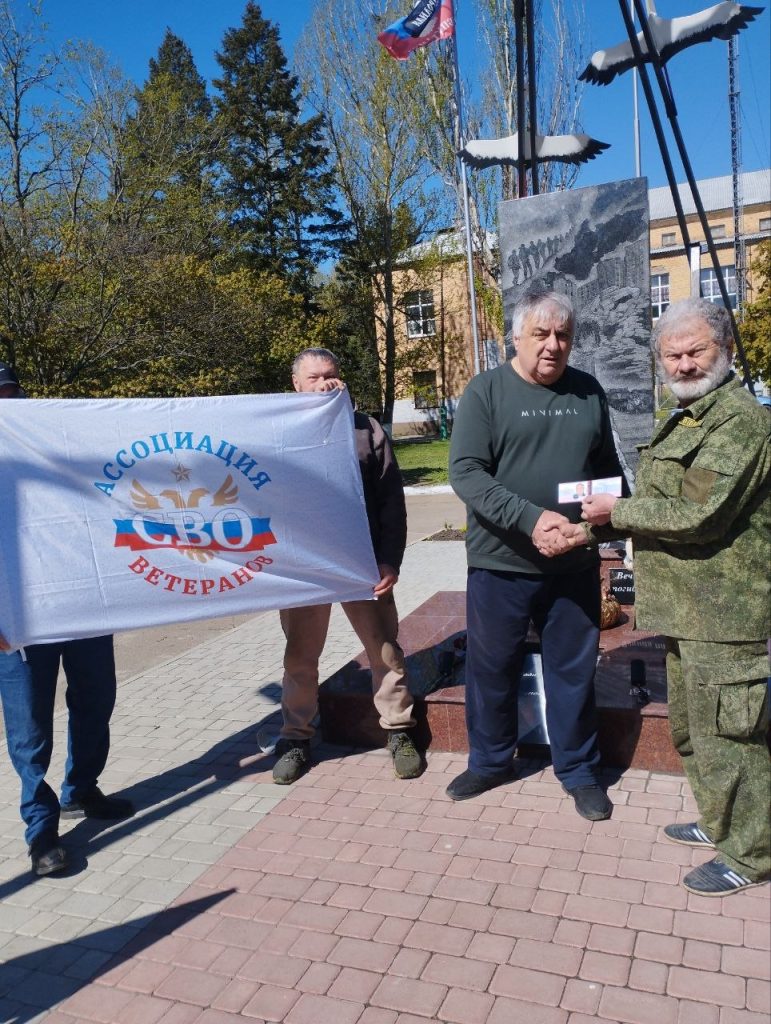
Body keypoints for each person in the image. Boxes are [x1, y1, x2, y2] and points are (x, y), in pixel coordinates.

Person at [580, 298, 770, 896]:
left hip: (724, 613)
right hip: (688, 609)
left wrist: (615, 512)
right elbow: (666, 500)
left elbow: (698, 512)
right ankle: (721, 822)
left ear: (725, 349)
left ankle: (752, 854)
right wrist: (593, 526)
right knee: (695, 731)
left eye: (696, 351)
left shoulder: (739, 421)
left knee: (731, 740)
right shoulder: (688, 416)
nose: (684, 364)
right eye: (672, 355)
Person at [446, 291, 626, 819]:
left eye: (563, 335)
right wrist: (532, 520)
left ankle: (580, 770)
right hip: (501, 564)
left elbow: (608, 474)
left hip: (572, 563)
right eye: (541, 334)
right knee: (492, 670)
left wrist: (589, 530)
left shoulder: (587, 392)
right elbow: (466, 473)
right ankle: (490, 762)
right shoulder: (485, 392)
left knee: (573, 673)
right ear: (516, 337)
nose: (553, 345)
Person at [0, 362, 133, 876]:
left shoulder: (57, 450)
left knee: (96, 701)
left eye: (11, 392)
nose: (6, 403)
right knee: (30, 728)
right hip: (19, 622)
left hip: (82, 607)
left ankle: (82, 788)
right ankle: (41, 830)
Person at [272, 348, 420, 785]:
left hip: (363, 562)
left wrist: (390, 559)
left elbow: (391, 501)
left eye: (332, 375)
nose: (325, 384)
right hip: (306, 567)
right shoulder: (277, 434)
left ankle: (399, 730)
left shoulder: (365, 429)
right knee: (300, 657)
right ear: (296, 385)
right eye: (314, 377)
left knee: (384, 651)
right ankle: (296, 738)